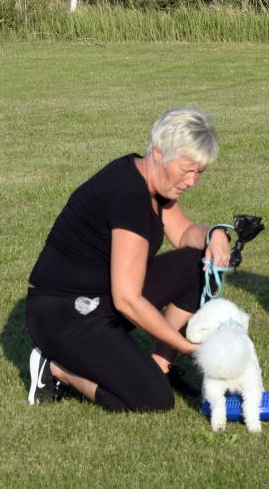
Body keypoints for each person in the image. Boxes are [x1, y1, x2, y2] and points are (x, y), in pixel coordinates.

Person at [25, 107, 231, 412]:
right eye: (187, 169)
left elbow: (185, 231)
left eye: (199, 172)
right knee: (154, 399)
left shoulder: (148, 178)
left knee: (198, 264)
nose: (193, 181)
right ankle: (56, 370)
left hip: (99, 296)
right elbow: (128, 300)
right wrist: (185, 345)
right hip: (63, 313)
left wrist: (214, 234)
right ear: (159, 154)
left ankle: (160, 366)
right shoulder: (129, 198)